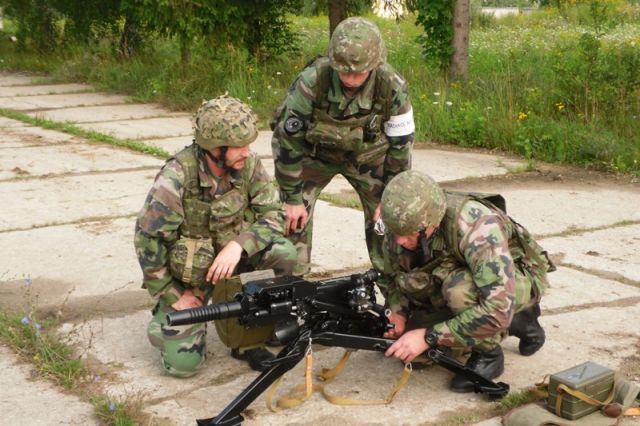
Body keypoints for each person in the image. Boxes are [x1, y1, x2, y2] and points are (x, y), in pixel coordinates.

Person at [134, 95, 300, 377]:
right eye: (239, 146)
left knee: (283, 252)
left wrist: (238, 245)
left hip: (234, 266)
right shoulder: (176, 177)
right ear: (216, 148)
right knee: (184, 367)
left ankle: (249, 336)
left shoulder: (248, 164)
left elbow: (274, 214)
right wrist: (173, 294)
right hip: (192, 277)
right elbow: (147, 240)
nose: (247, 152)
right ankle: (163, 325)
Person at [379, 170, 555, 392]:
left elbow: (498, 307)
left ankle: (490, 354)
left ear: (431, 224)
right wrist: (398, 312)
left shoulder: (476, 225)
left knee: (458, 292)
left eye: (408, 234)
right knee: (414, 354)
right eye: (395, 232)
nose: (399, 240)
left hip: (515, 281)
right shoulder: (402, 224)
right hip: (462, 276)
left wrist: (429, 336)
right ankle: (517, 320)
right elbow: (393, 276)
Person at [271, 17, 414, 273]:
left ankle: (393, 283)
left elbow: (401, 146)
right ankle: (291, 284)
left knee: (391, 218)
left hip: (368, 157)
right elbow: (287, 140)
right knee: (291, 218)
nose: (350, 78)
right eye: (344, 71)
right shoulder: (311, 81)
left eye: (359, 72)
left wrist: (390, 197)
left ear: (375, 64)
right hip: (315, 156)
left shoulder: (392, 86)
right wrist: (292, 198)